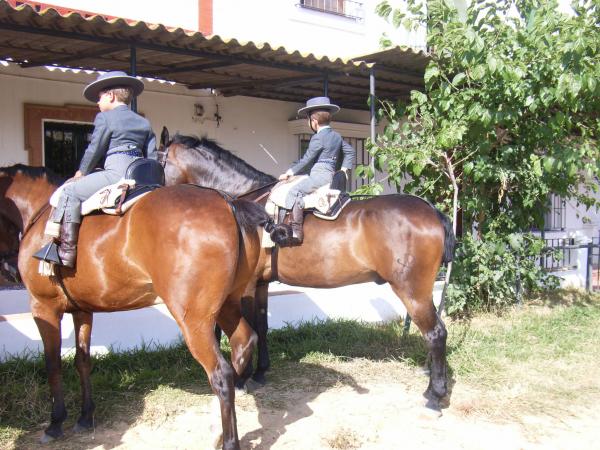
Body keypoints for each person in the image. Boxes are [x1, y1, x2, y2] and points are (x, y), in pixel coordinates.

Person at [35, 70, 157, 268]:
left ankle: (65, 253)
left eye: (100, 97)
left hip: (116, 174)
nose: (98, 103)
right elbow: (151, 157)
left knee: (69, 192)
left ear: (111, 95)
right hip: (140, 177)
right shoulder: (144, 123)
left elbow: (95, 149)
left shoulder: (105, 118)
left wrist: (81, 173)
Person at [278, 96, 355, 245]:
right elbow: (350, 151)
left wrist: (289, 172)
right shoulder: (336, 136)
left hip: (319, 175)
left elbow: (306, 159)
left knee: (294, 192)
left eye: (308, 120)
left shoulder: (318, 138)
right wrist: (344, 169)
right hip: (331, 174)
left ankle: (296, 231)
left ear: (314, 121)